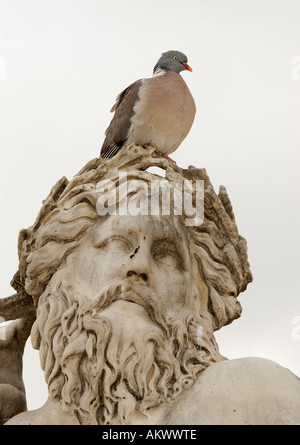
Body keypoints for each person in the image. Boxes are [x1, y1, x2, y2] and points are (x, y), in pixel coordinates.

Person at [2, 145, 300, 425]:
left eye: (166, 255)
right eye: (118, 242)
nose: (139, 266)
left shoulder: (254, 398)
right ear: (59, 270)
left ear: (199, 294)